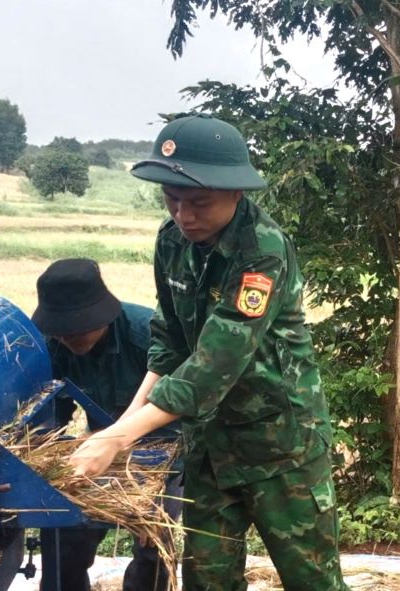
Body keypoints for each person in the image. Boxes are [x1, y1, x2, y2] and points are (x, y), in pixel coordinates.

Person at [66, 114, 348, 590]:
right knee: (206, 583)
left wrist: (116, 439)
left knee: (312, 582)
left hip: (280, 449)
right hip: (210, 449)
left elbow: (211, 367)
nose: (183, 215)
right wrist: (119, 430)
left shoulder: (262, 253)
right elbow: (170, 342)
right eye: (171, 199)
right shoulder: (172, 241)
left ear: (236, 193)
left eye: (198, 202)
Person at [32, 258, 180, 591]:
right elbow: (50, 412)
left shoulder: (149, 338)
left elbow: (178, 414)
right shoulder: (53, 346)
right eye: (62, 330)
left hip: (163, 450)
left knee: (152, 545)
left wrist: (150, 492)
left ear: (103, 313)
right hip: (98, 449)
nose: (70, 337)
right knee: (63, 531)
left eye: (79, 327)